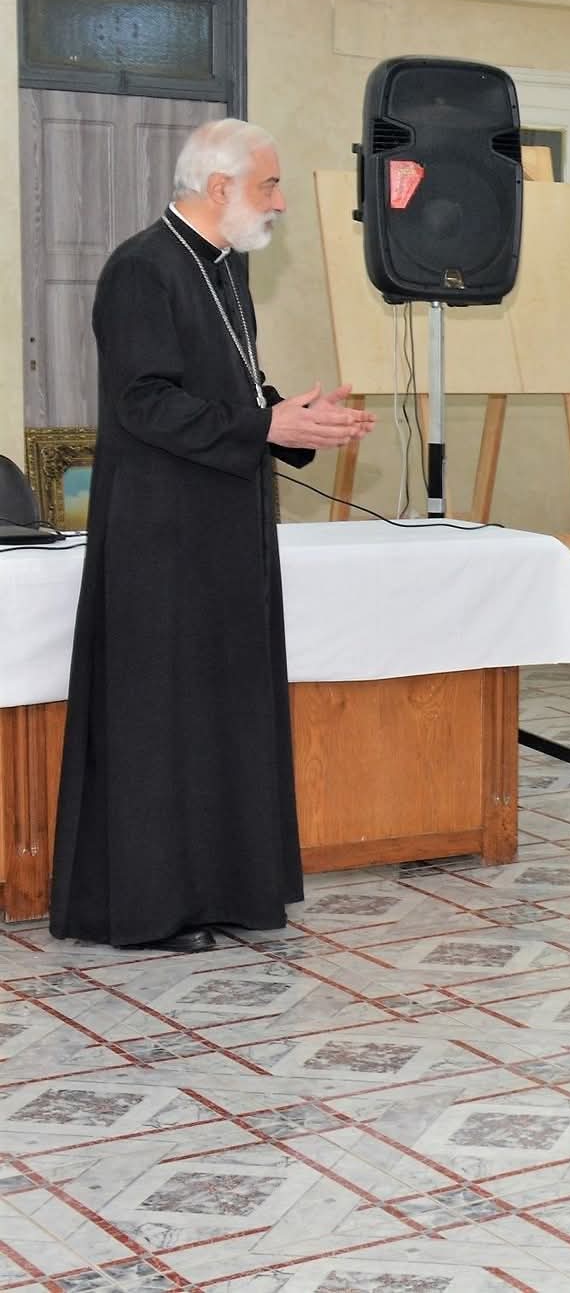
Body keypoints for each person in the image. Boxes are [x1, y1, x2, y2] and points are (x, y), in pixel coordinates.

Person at [50, 119, 376, 954]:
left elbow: (236, 390)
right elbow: (145, 403)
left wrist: (294, 422)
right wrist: (264, 424)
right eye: (269, 185)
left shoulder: (223, 267)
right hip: (162, 540)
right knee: (164, 723)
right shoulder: (142, 268)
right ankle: (152, 908)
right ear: (219, 185)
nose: (280, 203)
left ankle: (224, 887)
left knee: (221, 716)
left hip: (224, 533)